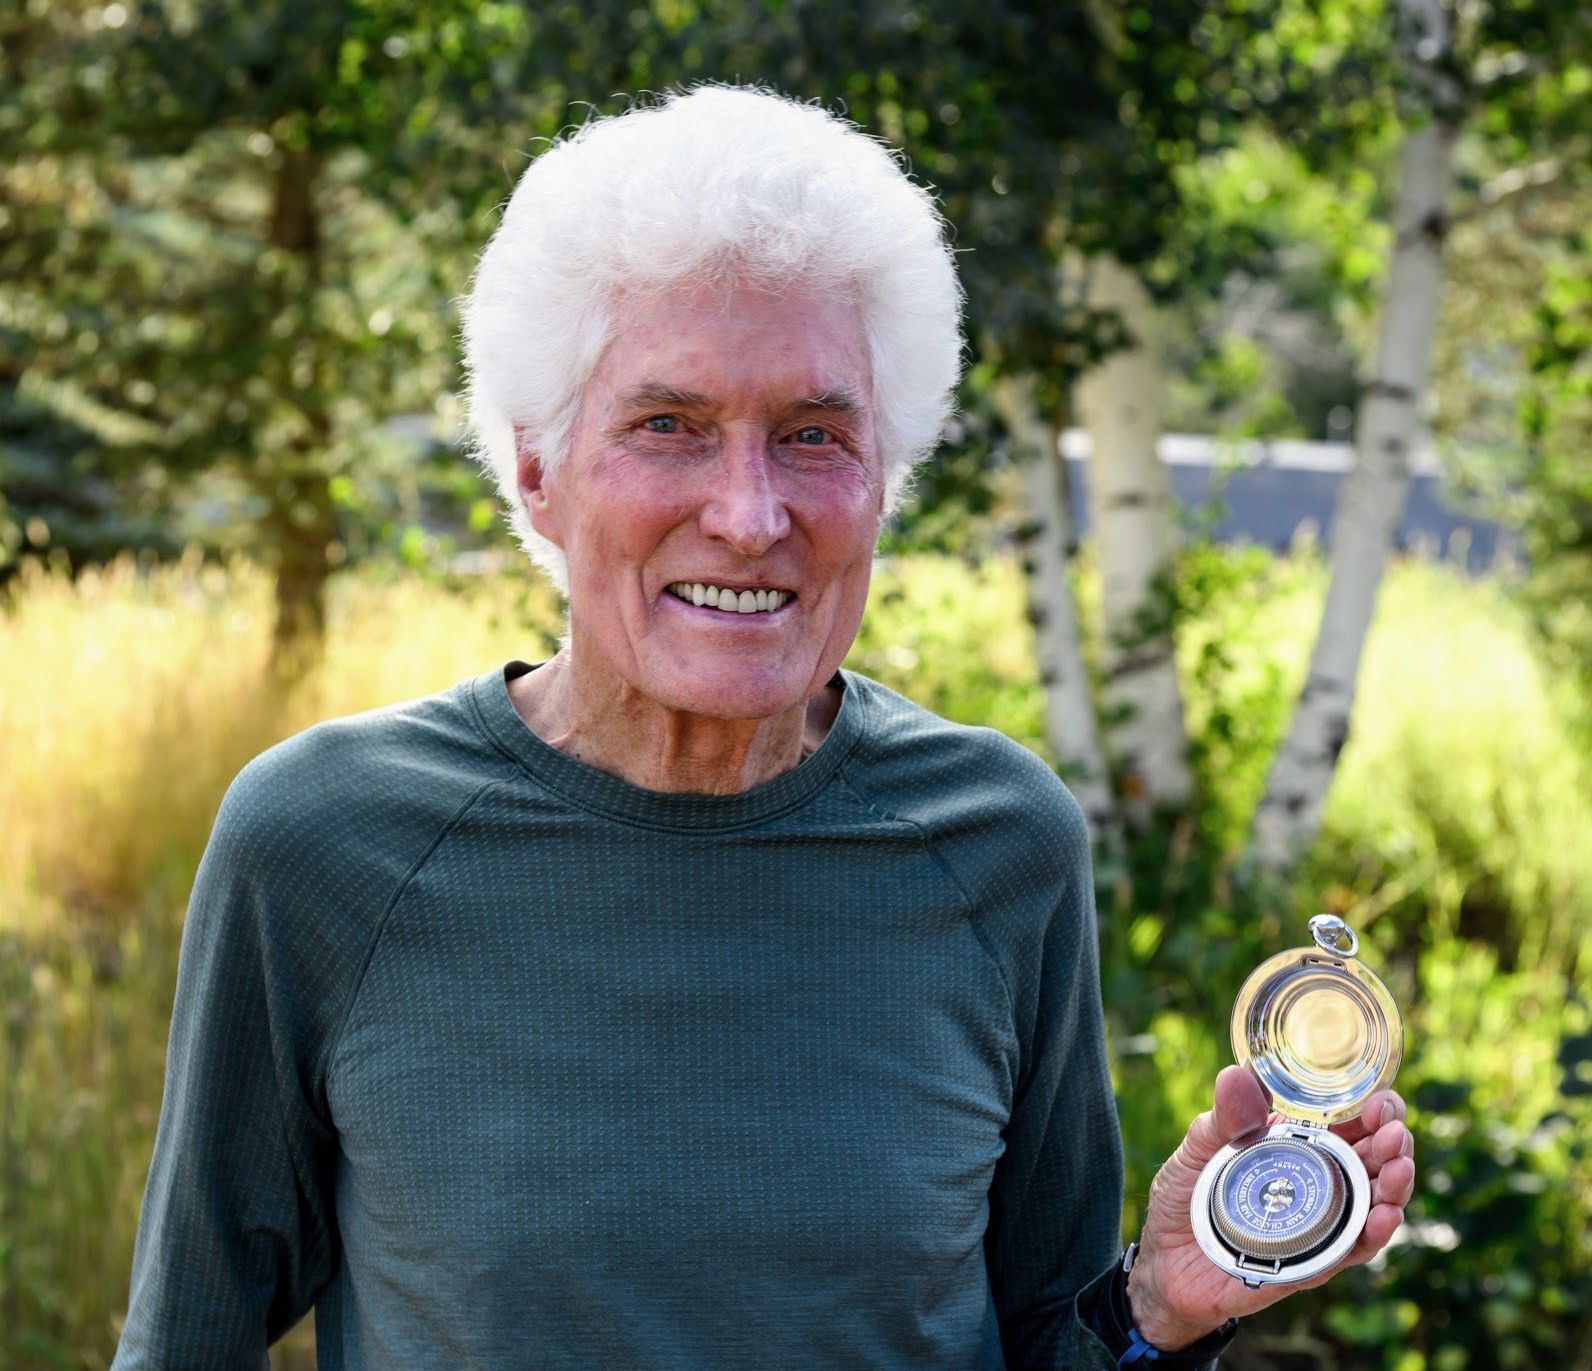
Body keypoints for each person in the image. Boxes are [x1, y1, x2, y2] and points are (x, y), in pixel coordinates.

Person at [112, 84, 1415, 1370]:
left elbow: (1050, 1347)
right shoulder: (329, 846)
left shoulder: (1000, 845)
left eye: (812, 434)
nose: (748, 513)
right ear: (534, 467)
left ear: (884, 480)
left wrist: (1157, 1314)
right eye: (668, 425)